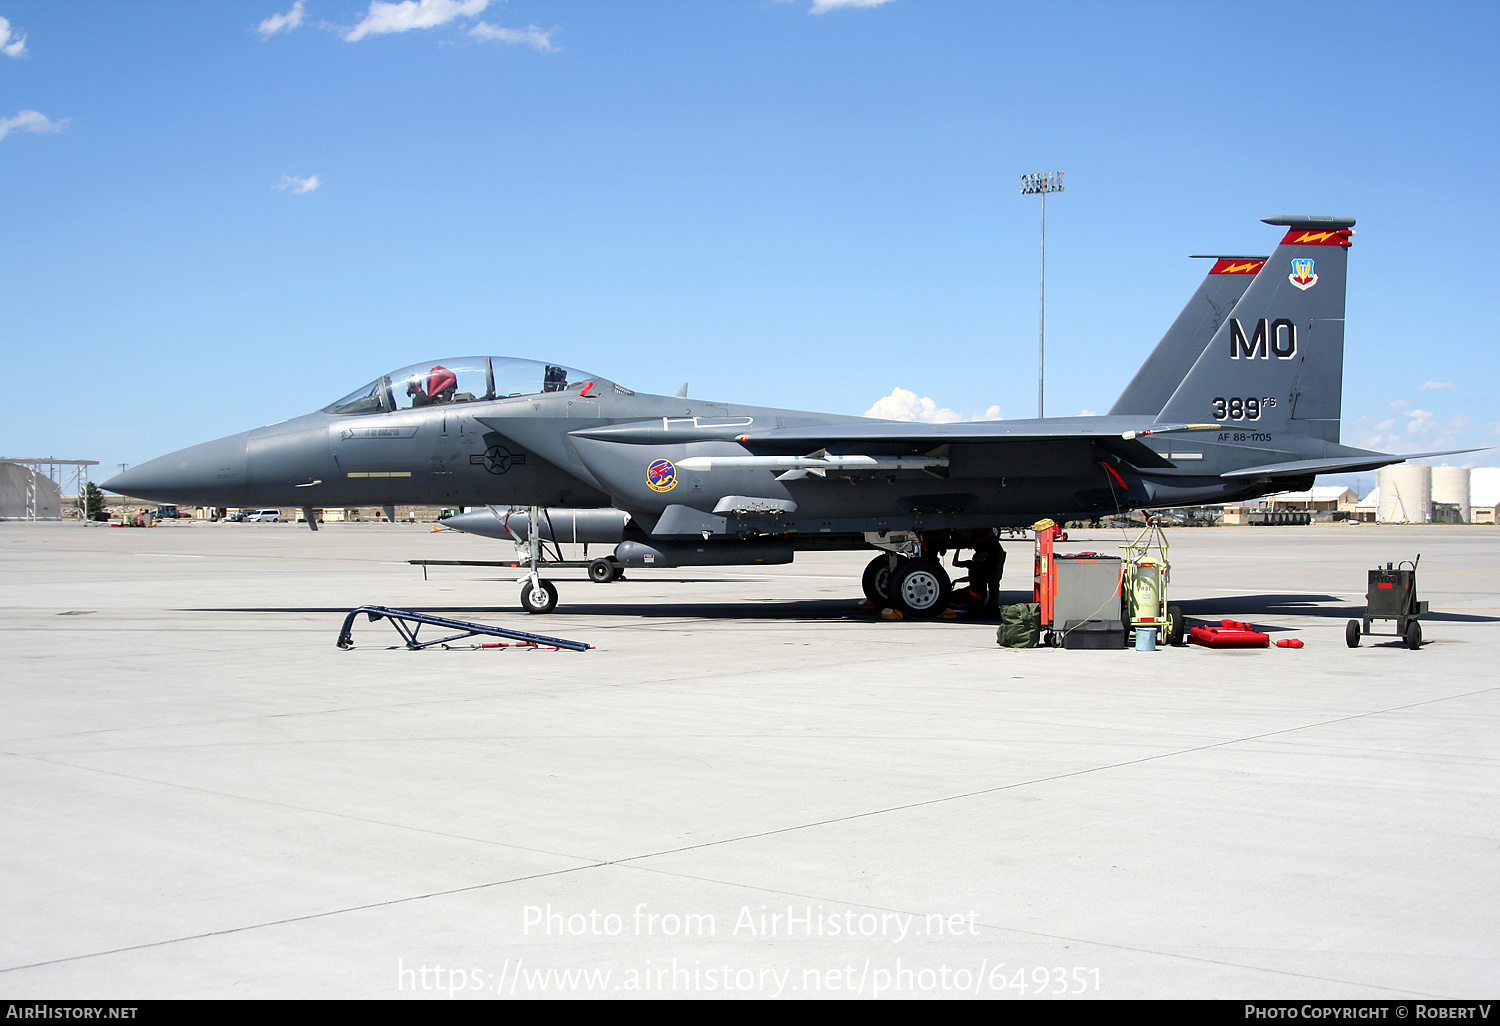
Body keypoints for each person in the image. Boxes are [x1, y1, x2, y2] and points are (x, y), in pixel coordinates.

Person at [954, 533, 1006, 616]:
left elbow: (955, 564)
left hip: (974, 593)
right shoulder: (986, 567)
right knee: (993, 584)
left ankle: (984, 606)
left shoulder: (972, 564)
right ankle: (989, 606)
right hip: (982, 595)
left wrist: (958, 550)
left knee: (954, 595)